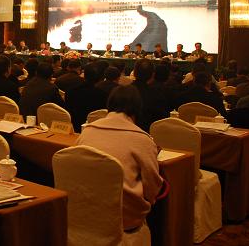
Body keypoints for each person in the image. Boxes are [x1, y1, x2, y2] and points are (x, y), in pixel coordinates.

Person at [77, 85, 163, 231]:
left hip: (85, 207)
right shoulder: (142, 138)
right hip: (124, 216)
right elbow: (152, 187)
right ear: (137, 108)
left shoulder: (87, 131)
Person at [64, 63, 107, 132]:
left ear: (84, 75)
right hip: (95, 129)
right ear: (101, 78)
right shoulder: (102, 94)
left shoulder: (70, 91)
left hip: (73, 127)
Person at [132, 59, 172, 131]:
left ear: (134, 73)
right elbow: (163, 119)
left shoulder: (122, 91)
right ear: (153, 75)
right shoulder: (157, 95)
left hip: (124, 133)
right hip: (149, 133)